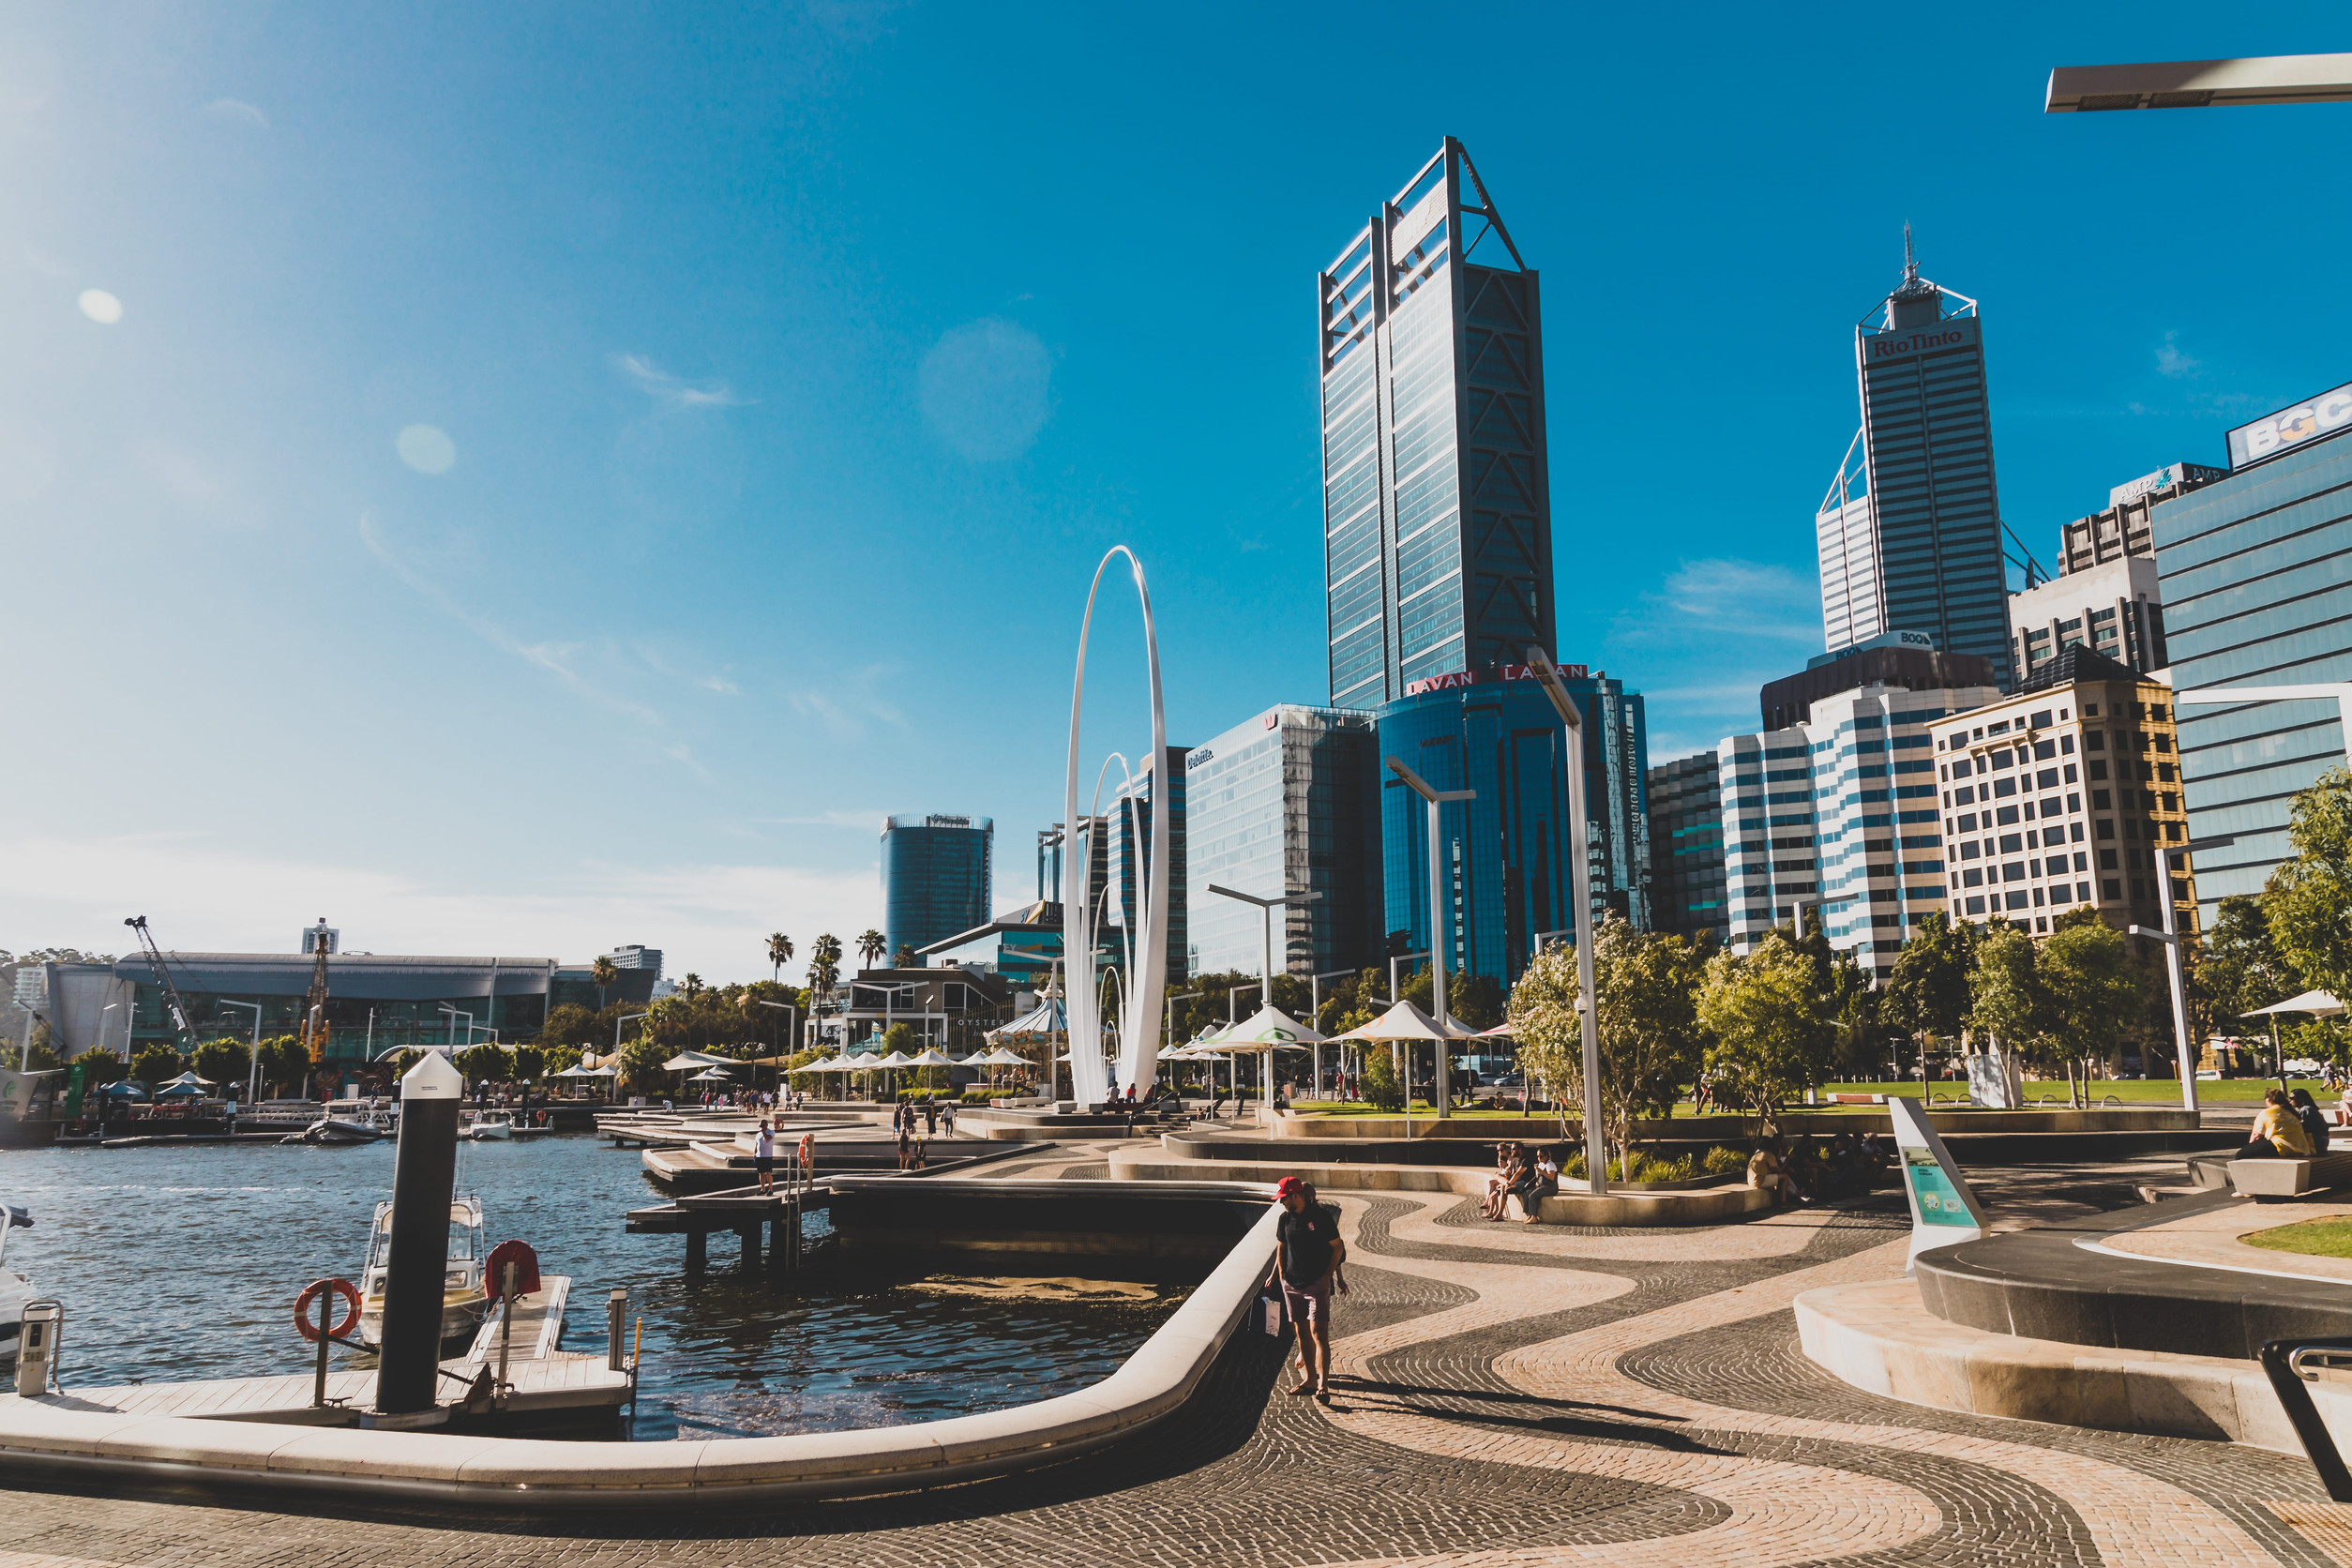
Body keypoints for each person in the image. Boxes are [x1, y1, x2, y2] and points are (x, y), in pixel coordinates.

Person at [1265, 1176, 1345, 1404]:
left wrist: (1328, 1275)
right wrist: (1281, 1276)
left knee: (1319, 1333)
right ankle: (1310, 1379)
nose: (1281, 1202)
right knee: (1301, 1333)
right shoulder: (1284, 1219)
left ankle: (1323, 1384)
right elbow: (1282, 1246)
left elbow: (1337, 1248)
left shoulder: (1321, 1218)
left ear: (1296, 1196)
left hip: (1316, 1284)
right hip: (1292, 1283)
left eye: (1284, 1198)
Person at [2238, 1086, 2315, 1160]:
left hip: (2283, 1147)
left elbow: (2256, 1135)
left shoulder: (2267, 1112)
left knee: (2241, 1154)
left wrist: (2250, 1146)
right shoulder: (2290, 1112)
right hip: (2301, 1148)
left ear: (2268, 1100)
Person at [1748, 1141, 1791, 1207]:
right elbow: (1779, 1170)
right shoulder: (1768, 1155)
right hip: (1759, 1181)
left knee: (1774, 1177)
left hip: (1751, 1181)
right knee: (1785, 1177)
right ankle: (1784, 1201)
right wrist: (1787, 1161)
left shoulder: (1757, 1154)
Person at [2293, 1087, 2331, 1156]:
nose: (2290, 1100)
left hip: (2317, 1142)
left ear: (2301, 1099)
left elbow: (2303, 1128)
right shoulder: (2311, 1109)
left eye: (2292, 1098)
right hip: (2322, 1141)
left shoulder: (2306, 1109)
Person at [754, 1119, 776, 1195]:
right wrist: (755, 1154)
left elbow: (767, 1138)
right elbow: (756, 1145)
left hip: (767, 1156)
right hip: (759, 1156)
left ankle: (770, 1189)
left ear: (766, 1125)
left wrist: (763, 1131)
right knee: (761, 1173)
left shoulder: (771, 1132)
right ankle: (762, 1189)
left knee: (768, 1173)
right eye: (760, 1126)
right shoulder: (758, 1134)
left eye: (762, 1126)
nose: (761, 1127)